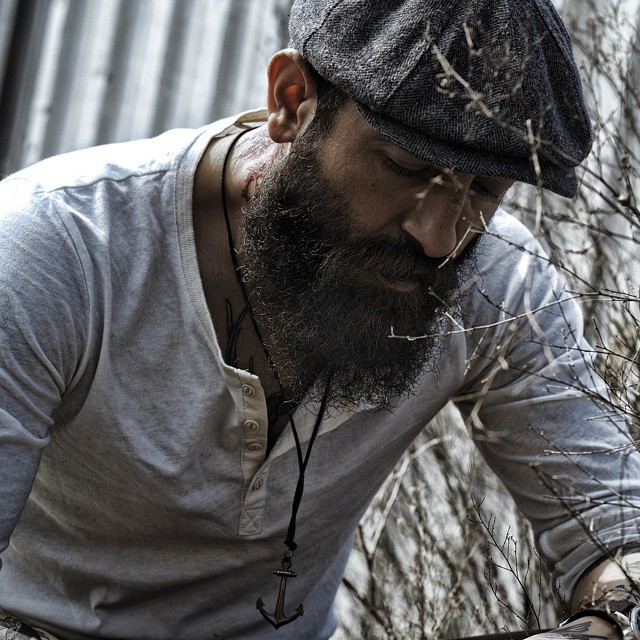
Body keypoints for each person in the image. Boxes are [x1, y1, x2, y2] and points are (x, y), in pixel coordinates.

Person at [1, 0, 639, 639]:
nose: (437, 236)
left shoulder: (495, 285)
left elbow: (619, 534)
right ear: (291, 99)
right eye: (406, 168)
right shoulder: (53, 249)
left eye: (483, 191)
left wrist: (609, 624)